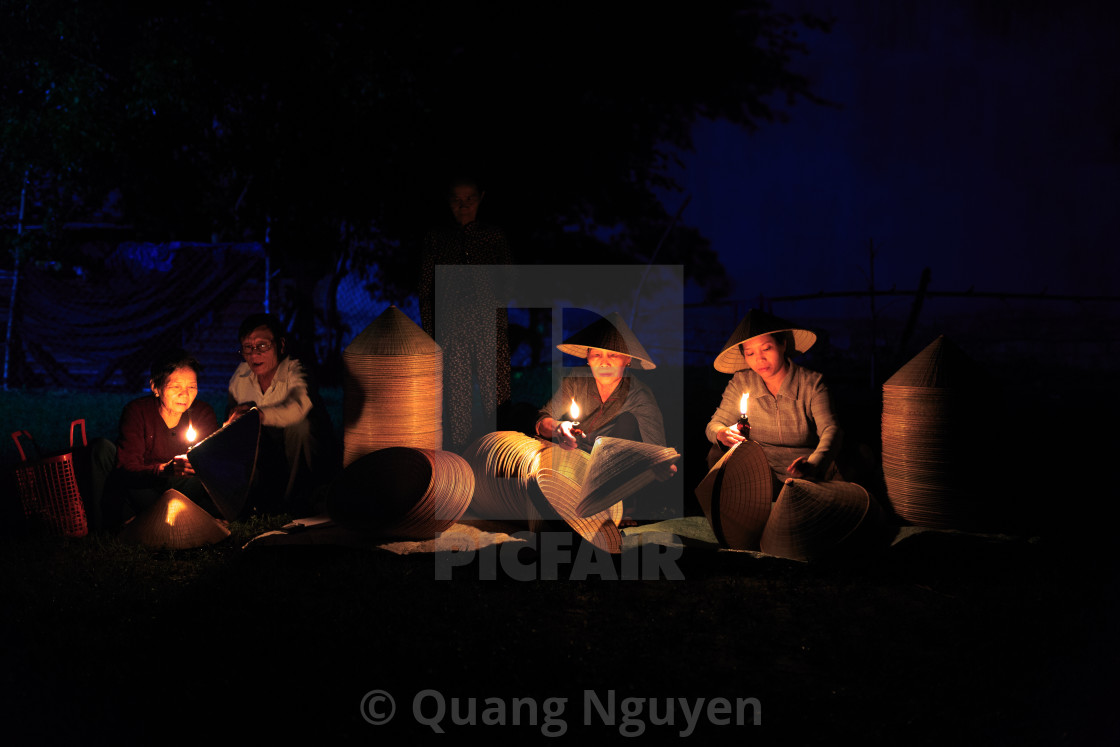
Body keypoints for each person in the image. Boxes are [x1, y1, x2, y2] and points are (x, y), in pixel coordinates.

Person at [535, 312, 674, 524]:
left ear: (627, 360)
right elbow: (543, 420)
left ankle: (620, 507)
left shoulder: (639, 395)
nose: (604, 363)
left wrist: (660, 465)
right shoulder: (576, 381)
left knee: (627, 421)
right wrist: (559, 428)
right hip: (574, 461)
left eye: (614, 355)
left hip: (615, 473)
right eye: (597, 355)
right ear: (588, 358)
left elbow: (656, 450)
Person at [704, 309, 842, 495]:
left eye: (766, 348)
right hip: (760, 470)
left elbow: (830, 429)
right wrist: (721, 433)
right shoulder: (741, 382)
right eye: (750, 353)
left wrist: (814, 463)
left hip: (805, 468)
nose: (759, 359)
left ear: (782, 345)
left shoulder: (811, 383)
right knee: (716, 452)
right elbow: (714, 424)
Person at [419, 176, 512, 450]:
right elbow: (426, 289)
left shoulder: (493, 237)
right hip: (451, 331)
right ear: (448, 201)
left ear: (480, 198)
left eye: (469, 198)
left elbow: (508, 279)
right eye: (457, 199)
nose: (463, 205)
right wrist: (431, 335)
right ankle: (461, 464)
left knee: (498, 400)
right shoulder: (437, 239)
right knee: (457, 404)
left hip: (489, 329)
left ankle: (503, 459)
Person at [226, 313, 338, 514]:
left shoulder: (296, 371)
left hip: (305, 452)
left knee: (301, 427)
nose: (254, 355)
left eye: (262, 346)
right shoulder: (241, 377)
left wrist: (258, 415)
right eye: (248, 348)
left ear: (281, 345)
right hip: (268, 454)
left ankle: (299, 500)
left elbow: (298, 407)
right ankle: (250, 500)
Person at [107, 349, 220, 526]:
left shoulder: (202, 413)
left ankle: (159, 519)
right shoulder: (138, 412)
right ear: (155, 387)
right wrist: (163, 470)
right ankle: (166, 519)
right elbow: (128, 467)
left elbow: (211, 466)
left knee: (199, 480)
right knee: (119, 473)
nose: (185, 394)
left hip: (185, 491)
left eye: (191, 386)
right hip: (146, 488)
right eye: (176, 387)